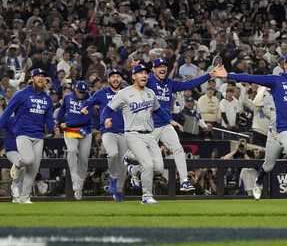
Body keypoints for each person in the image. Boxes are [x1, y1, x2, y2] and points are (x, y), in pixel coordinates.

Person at [220, 53, 287, 200]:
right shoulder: (276, 80)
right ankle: (259, 181)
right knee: (269, 165)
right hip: (276, 131)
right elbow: (252, 78)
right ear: (284, 65)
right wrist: (229, 75)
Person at [146, 58, 224, 192]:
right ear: (153, 69)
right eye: (159, 66)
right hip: (150, 125)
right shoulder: (149, 81)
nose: (162, 68)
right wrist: (134, 68)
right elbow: (136, 81)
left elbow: (189, 84)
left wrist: (209, 75)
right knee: (140, 155)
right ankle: (132, 167)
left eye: (164, 66)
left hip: (165, 125)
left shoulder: (170, 84)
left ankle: (184, 181)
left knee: (178, 149)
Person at [103, 64, 162, 204]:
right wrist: (106, 119)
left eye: (146, 73)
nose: (144, 75)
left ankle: (134, 168)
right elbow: (108, 108)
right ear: (134, 76)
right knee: (148, 165)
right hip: (133, 134)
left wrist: (169, 121)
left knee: (158, 168)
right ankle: (146, 197)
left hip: (150, 134)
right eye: (140, 73)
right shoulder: (124, 93)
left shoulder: (150, 93)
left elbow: (158, 111)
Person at [0, 68, 55, 204]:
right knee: (28, 160)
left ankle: (25, 197)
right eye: (38, 76)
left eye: (43, 76)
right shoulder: (21, 94)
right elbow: (8, 112)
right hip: (23, 134)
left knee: (33, 169)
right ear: (32, 79)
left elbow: (48, 118)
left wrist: (53, 127)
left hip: (39, 136)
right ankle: (17, 166)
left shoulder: (47, 99)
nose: (41, 78)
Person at [81, 69, 126, 202]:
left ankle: (118, 190)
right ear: (108, 80)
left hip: (124, 132)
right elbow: (87, 103)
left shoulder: (127, 93)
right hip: (108, 131)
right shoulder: (101, 93)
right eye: (113, 77)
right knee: (112, 154)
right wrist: (84, 108)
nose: (116, 79)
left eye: (118, 76)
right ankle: (112, 177)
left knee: (123, 163)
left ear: (121, 79)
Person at [56, 80, 93, 200]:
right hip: (71, 130)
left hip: (84, 131)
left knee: (83, 159)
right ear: (75, 89)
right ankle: (74, 179)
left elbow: (85, 120)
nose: (81, 94)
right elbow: (61, 111)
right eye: (79, 91)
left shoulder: (89, 100)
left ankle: (79, 187)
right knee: (71, 151)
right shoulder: (68, 98)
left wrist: (66, 123)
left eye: (83, 92)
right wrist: (58, 122)